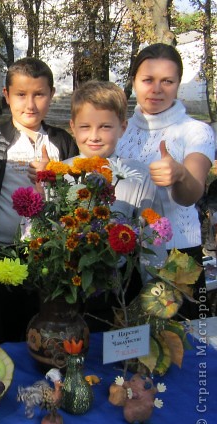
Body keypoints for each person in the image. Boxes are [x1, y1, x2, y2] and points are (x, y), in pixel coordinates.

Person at [0, 57, 79, 342]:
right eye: (21, 95)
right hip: (1, 254)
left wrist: (56, 176)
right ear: (6, 96)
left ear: (51, 94)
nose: (31, 104)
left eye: (39, 94)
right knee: (5, 328)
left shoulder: (63, 142)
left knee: (45, 327)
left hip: (51, 256)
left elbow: (77, 196)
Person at [116, 43, 215, 319]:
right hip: (125, 256)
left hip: (177, 257)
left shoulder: (196, 131)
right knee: (127, 346)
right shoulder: (118, 129)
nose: (156, 89)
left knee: (182, 345)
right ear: (134, 81)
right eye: (148, 80)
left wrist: (180, 174)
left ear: (178, 84)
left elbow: (191, 194)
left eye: (167, 81)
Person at [67, 80, 158, 330]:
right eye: (85, 126)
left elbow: (151, 239)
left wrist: (154, 299)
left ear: (123, 127)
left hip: (119, 294)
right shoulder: (61, 174)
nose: (94, 136)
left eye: (105, 126)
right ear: (72, 127)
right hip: (68, 291)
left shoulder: (138, 177)